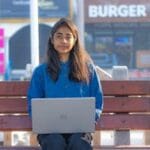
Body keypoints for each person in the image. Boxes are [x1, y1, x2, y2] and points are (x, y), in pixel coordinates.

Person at [27, 18, 103, 150]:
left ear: (75, 40)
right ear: (52, 39)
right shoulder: (41, 72)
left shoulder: (88, 69)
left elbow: (97, 100)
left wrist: (91, 119)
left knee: (79, 143)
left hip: (81, 130)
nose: (64, 41)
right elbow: (33, 102)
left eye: (68, 37)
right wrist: (41, 121)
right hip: (49, 131)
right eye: (59, 36)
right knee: (54, 143)